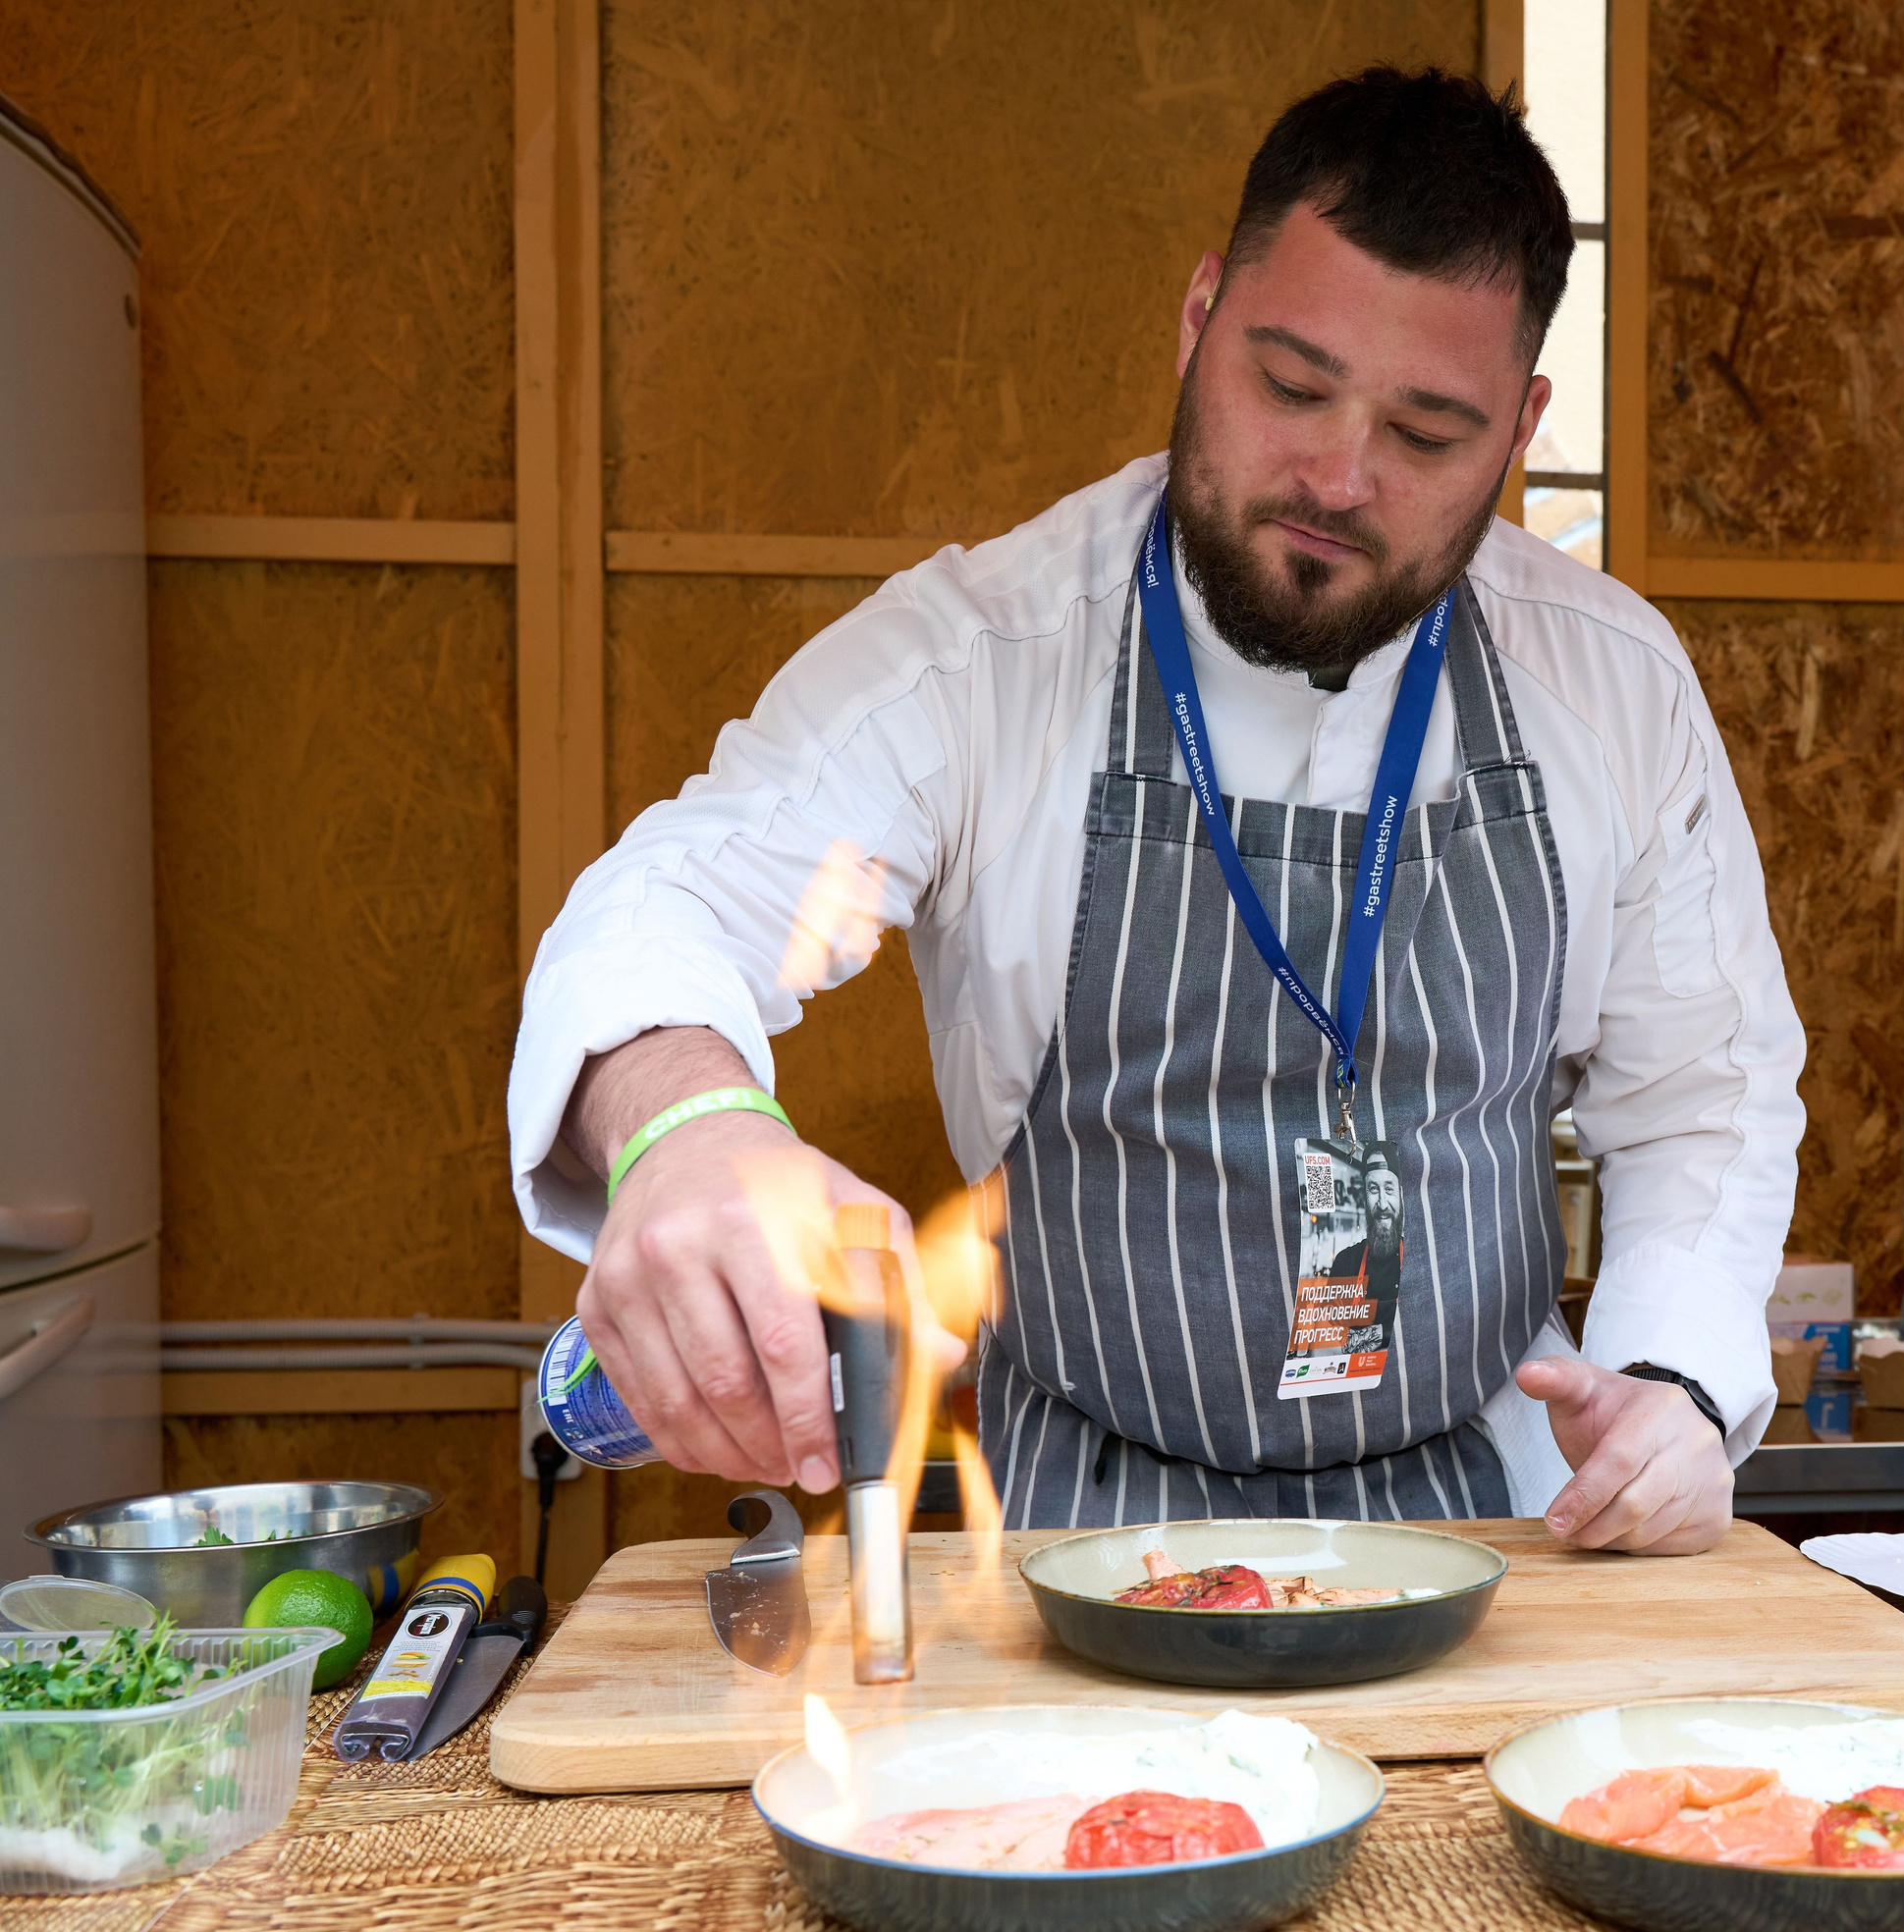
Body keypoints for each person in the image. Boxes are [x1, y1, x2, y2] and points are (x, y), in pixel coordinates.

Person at [508, 67, 1806, 1554]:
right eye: (1293, 386)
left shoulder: (1612, 687)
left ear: (1520, 428)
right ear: (1200, 323)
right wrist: (687, 1126)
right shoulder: (983, 657)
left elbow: (1704, 1094)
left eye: (1429, 432)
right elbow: (679, 893)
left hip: (1495, 1544)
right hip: (1079, 1541)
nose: (1338, 473)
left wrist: (1671, 1381)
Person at [1326, 1146, 1404, 1312]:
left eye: (1389, 1189)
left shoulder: (1420, 1256)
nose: (1382, 1204)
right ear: (1363, 1197)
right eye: (1373, 1189)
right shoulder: (1344, 1264)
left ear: (1401, 1196)